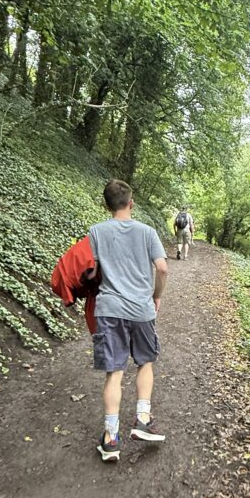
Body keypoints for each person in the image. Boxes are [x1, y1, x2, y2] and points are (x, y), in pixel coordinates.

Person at [89, 179, 168, 462]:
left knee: (114, 372)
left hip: (109, 309)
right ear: (131, 203)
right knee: (145, 362)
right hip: (141, 309)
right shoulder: (147, 232)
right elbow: (162, 268)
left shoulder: (96, 232)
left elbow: (90, 271)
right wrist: (156, 295)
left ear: (106, 206)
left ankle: (111, 438)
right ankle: (143, 419)